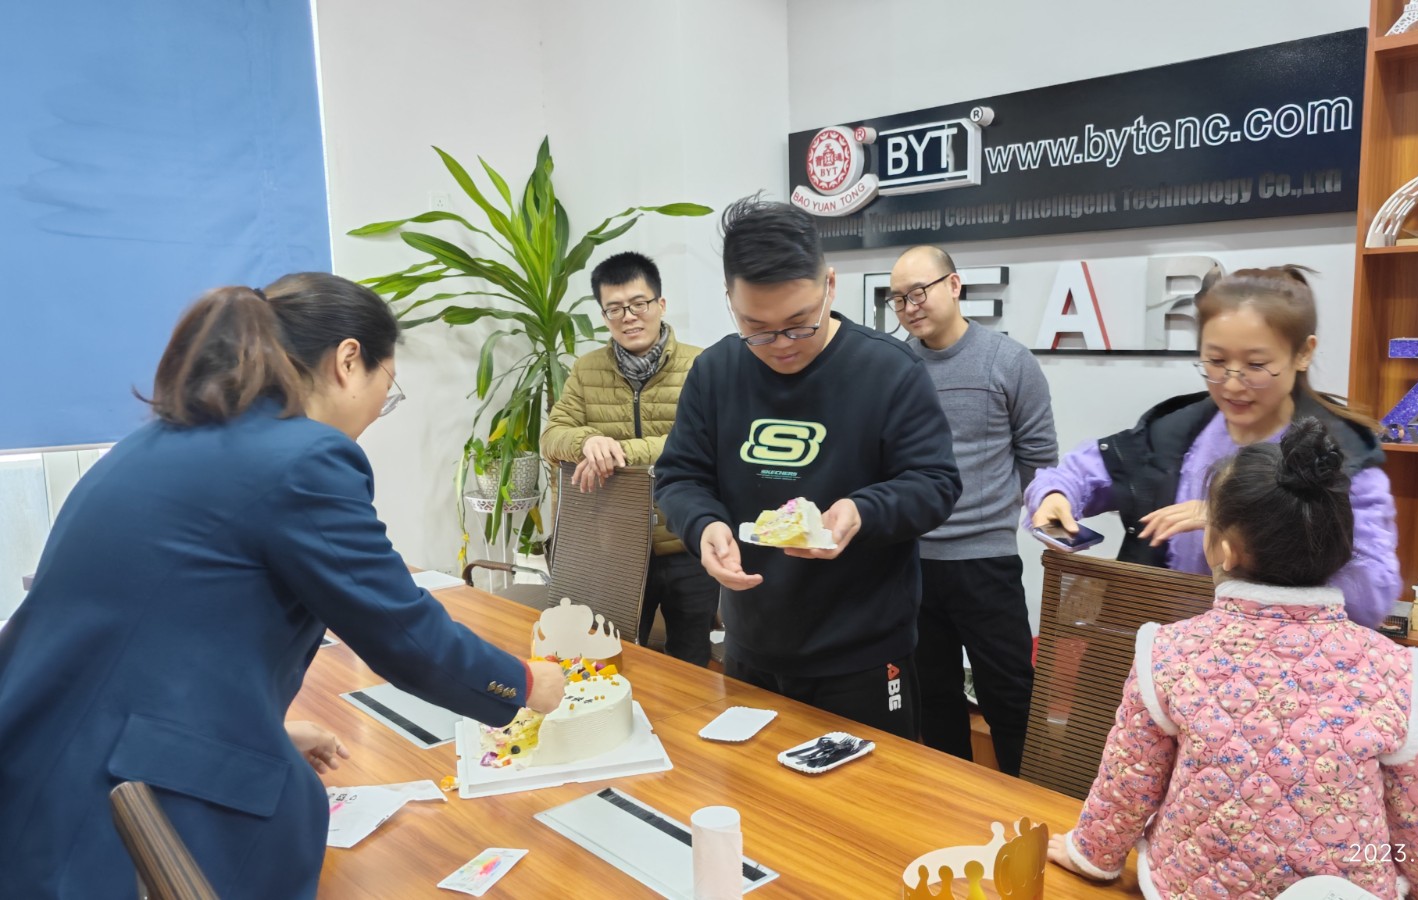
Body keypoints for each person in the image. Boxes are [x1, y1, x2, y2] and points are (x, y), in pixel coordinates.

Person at [0, 274, 565, 899]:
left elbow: (143, 636)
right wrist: (526, 683)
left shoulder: (157, 441)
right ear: (348, 360)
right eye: (388, 387)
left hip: (40, 767)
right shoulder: (304, 457)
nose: (379, 410)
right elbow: (403, 632)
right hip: (125, 806)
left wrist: (262, 727)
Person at [1050, 418, 1418, 899]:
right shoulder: (1399, 671)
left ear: (1225, 551)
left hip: (1190, 888)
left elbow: (1129, 783)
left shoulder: (1170, 652)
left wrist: (1091, 854)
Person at [654, 196, 960, 739]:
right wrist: (704, 526)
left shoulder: (888, 371)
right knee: (754, 790)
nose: (780, 346)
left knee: (868, 793)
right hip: (751, 646)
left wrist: (860, 511)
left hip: (863, 655)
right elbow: (680, 477)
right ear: (730, 301)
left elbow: (935, 484)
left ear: (830, 286)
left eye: (800, 324)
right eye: (757, 328)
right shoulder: (715, 372)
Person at [1027, 266, 1400, 628]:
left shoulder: (1341, 455)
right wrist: (1054, 496)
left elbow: (1372, 593)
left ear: (1303, 353)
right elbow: (1077, 474)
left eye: (1256, 365)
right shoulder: (1173, 432)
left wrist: (1237, 521)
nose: (1232, 385)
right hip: (1164, 649)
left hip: (1279, 659)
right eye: (1216, 361)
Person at [889, 245, 1057, 776]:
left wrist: (1036, 518)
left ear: (955, 285)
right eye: (898, 299)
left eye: (919, 291)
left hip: (986, 561)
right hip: (911, 562)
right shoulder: (893, 366)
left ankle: (1027, 807)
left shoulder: (1008, 360)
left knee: (1009, 695)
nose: (910, 306)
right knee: (933, 698)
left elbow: (1039, 460)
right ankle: (951, 805)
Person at [542, 251, 716, 665]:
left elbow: (707, 441)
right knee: (610, 659)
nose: (629, 317)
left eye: (639, 304)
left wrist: (619, 451)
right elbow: (552, 437)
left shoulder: (702, 365)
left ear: (661, 304)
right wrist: (587, 441)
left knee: (690, 664)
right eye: (615, 308)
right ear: (604, 315)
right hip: (614, 548)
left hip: (686, 541)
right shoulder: (587, 369)